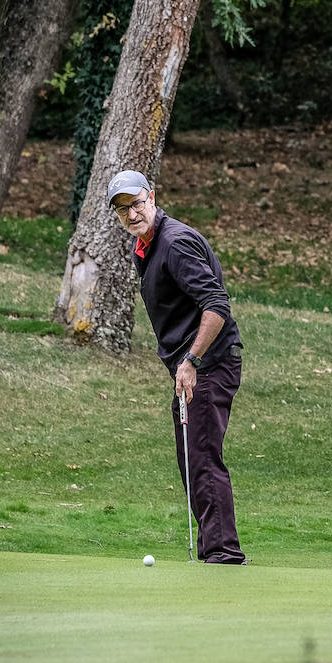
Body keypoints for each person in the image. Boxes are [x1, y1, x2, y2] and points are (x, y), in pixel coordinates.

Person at [108, 169, 247, 564]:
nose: (132, 214)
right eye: (123, 210)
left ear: (151, 197)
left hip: (208, 364)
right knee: (192, 458)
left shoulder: (175, 243)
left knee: (201, 456)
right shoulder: (149, 245)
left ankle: (223, 553)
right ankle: (214, 550)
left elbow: (217, 306)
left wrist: (191, 360)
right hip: (193, 366)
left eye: (136, 203)